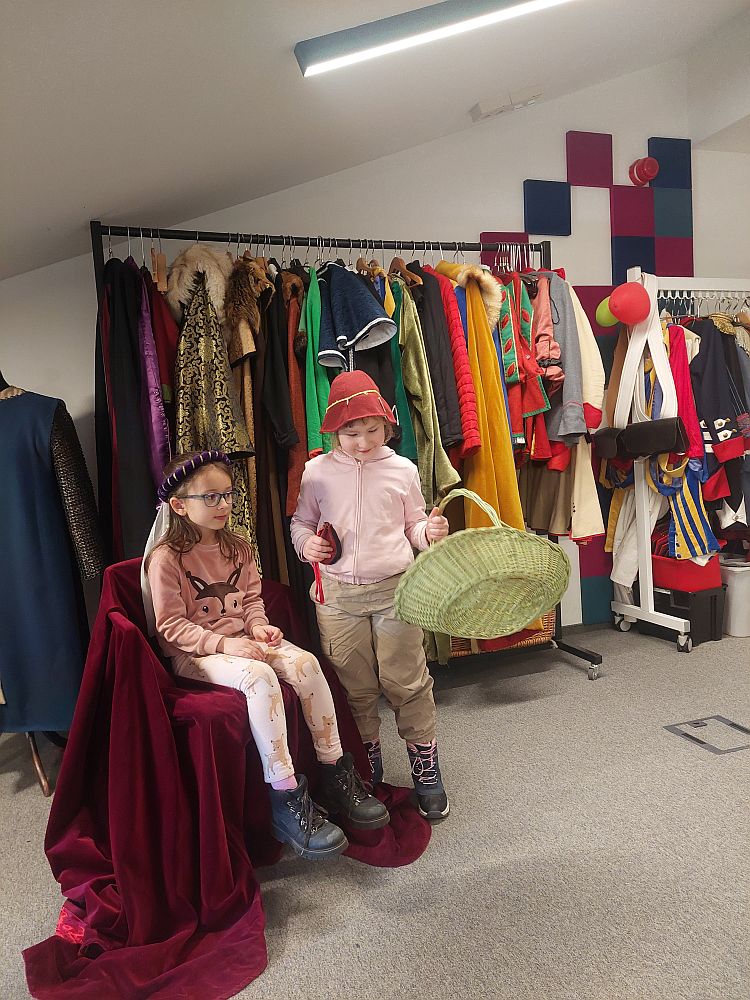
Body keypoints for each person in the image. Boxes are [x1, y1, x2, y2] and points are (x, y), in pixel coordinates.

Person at [144, 449, 389, 861]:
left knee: (307, 664)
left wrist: (258, 626)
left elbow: (252, 600)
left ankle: (335, 773)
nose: (223, 504)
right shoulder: (167, 559)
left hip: (245, 639)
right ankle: (285, 798)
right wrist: (226, 644)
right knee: (260, 677)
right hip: (197, 653)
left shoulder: (238, 547)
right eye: (210, 497)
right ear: (179, 505)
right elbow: (171, 627)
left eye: (228, 494)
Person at [291, 372, 451, 820]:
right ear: (334, 432)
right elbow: (301, 523)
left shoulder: (403, 470)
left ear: (387, 424)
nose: (363, 442)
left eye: (372, 430)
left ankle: (426, 768)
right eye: (351, 433)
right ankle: (366, 769)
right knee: (353, 688)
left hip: (396, 591)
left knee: (408, 681)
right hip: (337, 596)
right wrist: (307, 544)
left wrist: (429, 532)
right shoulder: (316, 472)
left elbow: (413, 526)